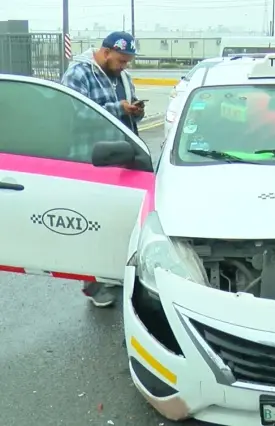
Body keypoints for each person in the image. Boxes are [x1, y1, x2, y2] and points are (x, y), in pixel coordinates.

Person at [61, 31, 144, 308]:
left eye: (127, 62)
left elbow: (125, 112)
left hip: (120, 159)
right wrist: (118, 108)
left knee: (116, 222)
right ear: (106, 52)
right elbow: (73, 112)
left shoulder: (122, 77)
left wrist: (134, 111)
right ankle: (94, 285)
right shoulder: (80, 73)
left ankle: (112, 273)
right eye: (121, 60)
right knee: (91, 223)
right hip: (91, 159)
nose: (124, 66)